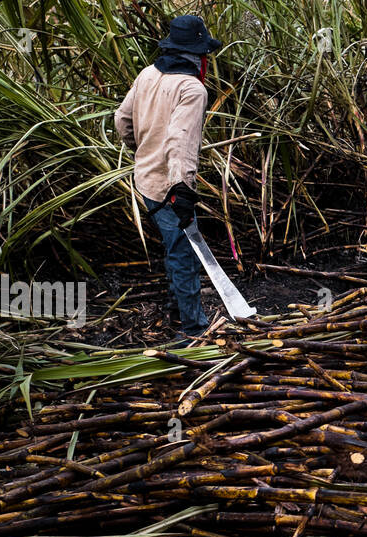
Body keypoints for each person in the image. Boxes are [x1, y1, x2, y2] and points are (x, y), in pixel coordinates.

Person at [115, 15, 222, 343]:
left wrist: (142, 149)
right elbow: (181, 141)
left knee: (173, 244)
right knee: (183, 252)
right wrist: (183, 188)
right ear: (197, 55)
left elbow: (121, 119)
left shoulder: (148, 74)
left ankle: (176, 307)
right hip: (169, 185)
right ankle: (193, 329)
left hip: (145, 179)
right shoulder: (192, 88)